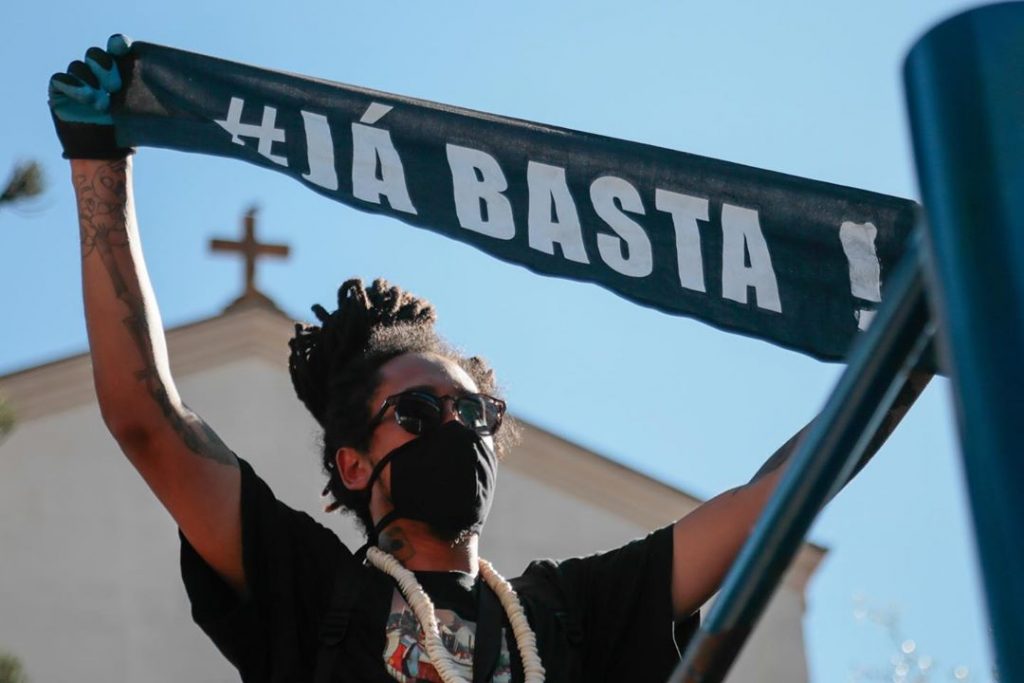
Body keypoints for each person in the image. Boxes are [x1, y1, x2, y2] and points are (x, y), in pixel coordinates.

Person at [48, 38, 855, 683]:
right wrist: (98, 168)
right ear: (354, 465)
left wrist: (914, 331)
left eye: (475, 413)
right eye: (420, 413)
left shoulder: (565, 613)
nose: (457, 429)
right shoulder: (315, 591)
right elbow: (147, 419)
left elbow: (770, 502)